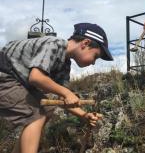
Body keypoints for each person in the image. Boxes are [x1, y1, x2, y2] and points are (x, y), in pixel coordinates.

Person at [0, 22, 113, 153]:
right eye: (95, 56)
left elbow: (63, 98)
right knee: (35, 115)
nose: (93, 62)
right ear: (85, 43)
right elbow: (36, 77)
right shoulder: (55, 44)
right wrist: (66, 92)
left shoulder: (65, 64)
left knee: (47, 109)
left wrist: (84, 114)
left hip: (16, 80)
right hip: (4, 74)